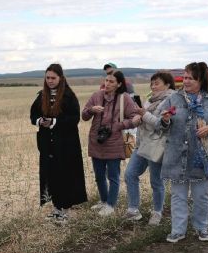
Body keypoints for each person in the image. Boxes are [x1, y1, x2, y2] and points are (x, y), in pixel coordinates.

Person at [158, 62, 208, 243]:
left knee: (201, 195)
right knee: (178, 195)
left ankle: (202, 227)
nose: (186, 81)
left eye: (191, 78)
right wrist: (165, 120)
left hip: (201, 157)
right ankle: (178, 230)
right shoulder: (173, 99)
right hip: (176, 156)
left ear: (201, 80)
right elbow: (161, 124)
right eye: (185, 77)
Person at [29, 63, 87, 224]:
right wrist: (40, 121)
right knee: (51, 174)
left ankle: (65, 210)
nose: (50, 81)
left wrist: (54, 121)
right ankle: (56, 208)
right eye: (47, 78)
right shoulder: (42, 95)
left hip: (66, 144)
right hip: (47, 144)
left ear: (60, 78)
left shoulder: (69, 96)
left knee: (65, 174)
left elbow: (74, 118)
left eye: (53, 78)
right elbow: (33, 115)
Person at [82, 70, 143, 216]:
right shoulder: (96, 96)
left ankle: (111, 204)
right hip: (97, 141)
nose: (107, 84)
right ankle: (103, 201)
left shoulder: (125, 98)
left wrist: (119, 125)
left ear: (119, 84)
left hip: (115, 141)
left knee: (113, 175)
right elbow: (84, 115)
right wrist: (91, 110)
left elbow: (135, 118)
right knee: (99, 175)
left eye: (111, 82)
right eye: (106, 80)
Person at [124, 71, 175, 225]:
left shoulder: (171, 101)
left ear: (167, 84)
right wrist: (137, 119)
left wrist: (144, 115)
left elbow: (163, 125)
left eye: (157, 83)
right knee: (130, 174)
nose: (153, 86)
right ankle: (133, 209)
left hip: (157, 146)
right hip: (142, 144)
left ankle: (157, 212)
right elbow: (144, 118)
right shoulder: (149, 100)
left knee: (156, 181)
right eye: (152, 83)